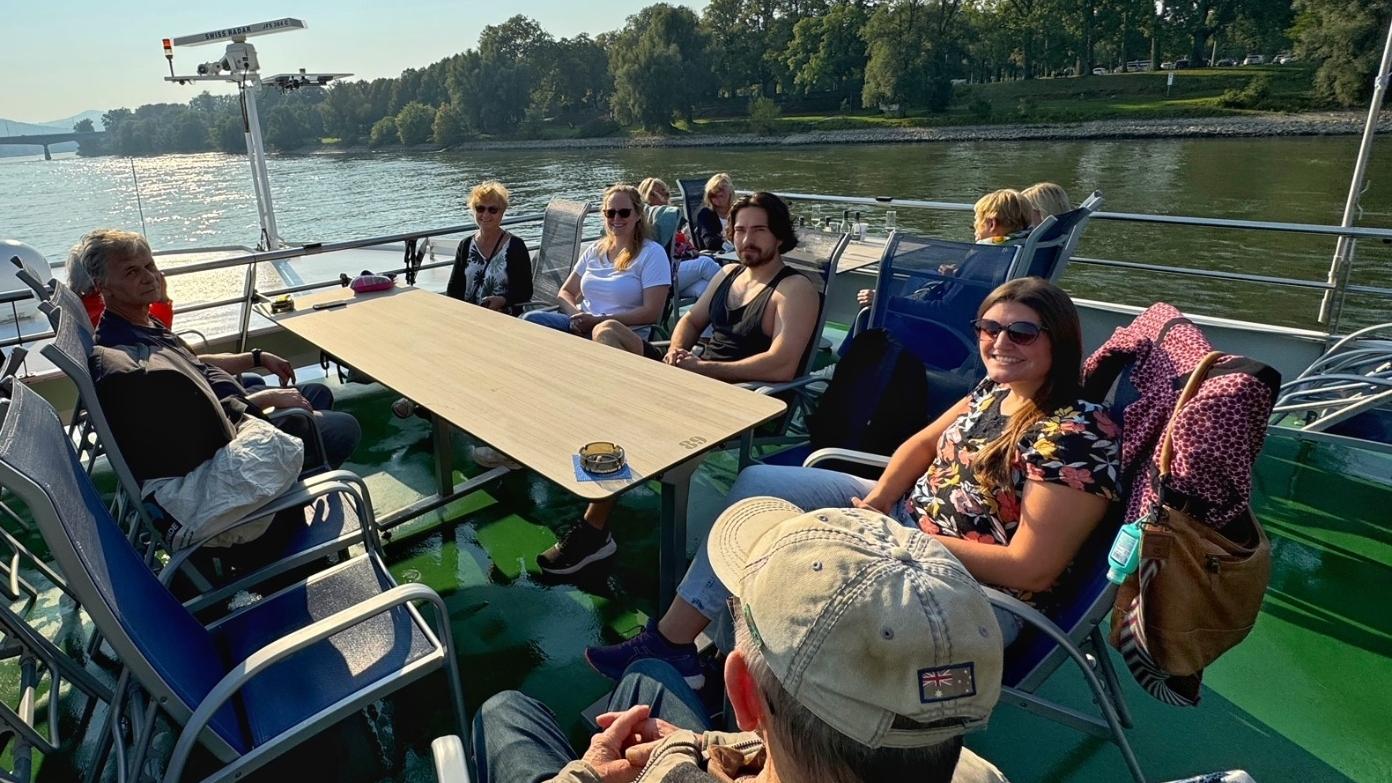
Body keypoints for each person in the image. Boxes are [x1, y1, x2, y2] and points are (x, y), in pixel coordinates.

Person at [586, 277, 1119, 685]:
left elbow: (1034, 567)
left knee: (787, 567)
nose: (1001, 341)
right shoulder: (998, 388)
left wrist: (902, 537)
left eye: (1021, 332)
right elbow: (922, 443)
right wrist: (882, 500)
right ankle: (676, 643)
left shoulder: (1072, 433)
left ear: (1059, 339)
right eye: (990, 329)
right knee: (761, 484)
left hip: (969, 596)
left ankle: (741, 680)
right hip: (906, 524)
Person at [474, 499, 1010, 783]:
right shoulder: (980, 773)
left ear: (744, 694)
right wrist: (708, 745)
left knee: (505, 710)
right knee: (649, 677)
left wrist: (587, 776)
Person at [535, 192, 820, 576]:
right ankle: (606, 425)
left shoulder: (793, 289)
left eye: (758, 230)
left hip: (741, 397)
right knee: (608, 330)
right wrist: (678, 351)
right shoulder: (728, 274)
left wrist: (703, 369)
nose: (746, 239)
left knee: (633, 410)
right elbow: (688, 322)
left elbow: (782, 365)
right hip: (691, 372)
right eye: (739, 230)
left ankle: (595, 528)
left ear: (780, 236)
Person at [76, 228, 361, 469]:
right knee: (345, 427)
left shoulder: (143, 322)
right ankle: (284, 491)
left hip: (235, 408)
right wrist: (266, 398)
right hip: (237, 437)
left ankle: (299, 466)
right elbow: (201, 427)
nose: (149, 277)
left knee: (317, 393)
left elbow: (195, 362)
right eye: (131, 272)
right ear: (103, 286)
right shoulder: (133, 355)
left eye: (150, 266)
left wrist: (256, 358)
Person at [393, 180, 532, 418]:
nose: (486, 215)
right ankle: (421, 397)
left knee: (456, 350)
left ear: (502, 212)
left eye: (493, 209)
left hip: (502, 317)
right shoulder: (465, 245)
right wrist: (452, 317)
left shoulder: (515, 246)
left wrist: (502, 299)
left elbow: (525, 291)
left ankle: (423, 402)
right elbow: (454, 288)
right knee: (431, 339)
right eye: (480, 208)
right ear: (473, 210)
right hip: (469, 317)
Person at [855, 188, 1036, 311]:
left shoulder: (987, 257)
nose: (974, 228)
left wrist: (885, 301)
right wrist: (957, 278)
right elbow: (968, 293)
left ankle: (842, 364)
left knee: (870, 311)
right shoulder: (1016, 250)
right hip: (971, 325)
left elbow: (943, 309)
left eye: (975, 222)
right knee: (919, 278)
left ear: (991, 223)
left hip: (944, 338)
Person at [638, 176, 712, 297]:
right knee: (706, 264)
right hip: (665, 274)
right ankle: (738, 298)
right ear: (647, 195)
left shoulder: (670, 218)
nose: (665, 194)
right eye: (658, 192)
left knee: (704, 288)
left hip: (678, 275)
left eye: (665, 191)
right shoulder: (650, 222)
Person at [692, 173, 735, 253]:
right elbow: (709, 242)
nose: (717, 198)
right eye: (713, 195)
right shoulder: (706, 214)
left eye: (721, 195)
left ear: (730, 193)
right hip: (719, 256)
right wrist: (729, 246)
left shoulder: (738, 211)